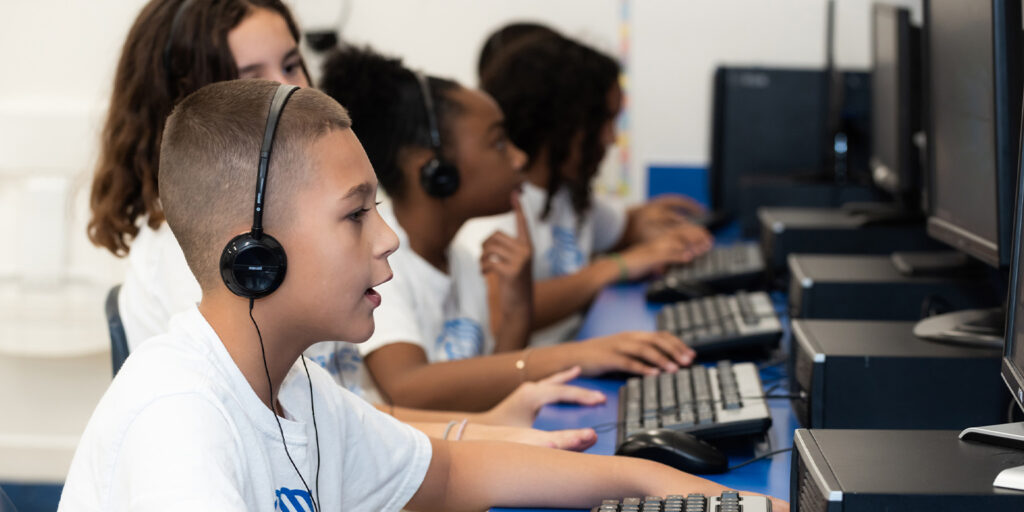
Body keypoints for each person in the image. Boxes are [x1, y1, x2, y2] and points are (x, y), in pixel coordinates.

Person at [59, 79, 785, 510]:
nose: (388, 239)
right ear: (256, 258)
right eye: (355, 214)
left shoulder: (295, 388)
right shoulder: (179, 422)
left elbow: (444, 475)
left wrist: (653, 481)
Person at [83, 0, 599, 450]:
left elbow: (342, 422)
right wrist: (482, 429)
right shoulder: (203, 248)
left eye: (292, 64)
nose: (286, 89)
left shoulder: (301, 224)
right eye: (252, 74)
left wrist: (487, 427)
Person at [318, 46, 696, 412]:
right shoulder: (383, 264)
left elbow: (493, 392)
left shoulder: (462, 260)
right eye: (498, 142)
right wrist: (576, 355)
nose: (518, 157)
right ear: (436, 170)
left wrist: (517, 314)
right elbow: (407, 386)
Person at [471, 28, 715, 346]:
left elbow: (623, 228)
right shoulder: (498, 206)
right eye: (605, 121)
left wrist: (665, 231)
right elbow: (503, 308)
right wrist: (615, 267)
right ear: (564, 123)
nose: (612, 139)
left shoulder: (567, 193)